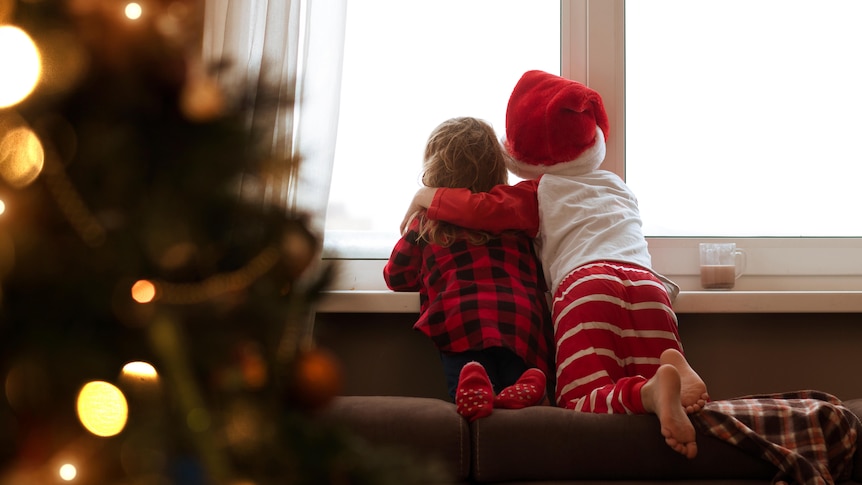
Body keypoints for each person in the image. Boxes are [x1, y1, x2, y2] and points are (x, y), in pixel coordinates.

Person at [400, 71, 709, 458]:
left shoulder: (539, 191)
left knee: (580, 403)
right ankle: (669, 374)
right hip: (649, 287)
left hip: (586, 288)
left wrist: (427, 196)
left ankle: (647, 392)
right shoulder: (618, 186)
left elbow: (481, 210)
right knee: (654, 394)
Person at [384, 116, 555, 422]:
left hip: (460, 318)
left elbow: (396, 277)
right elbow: (541, 274)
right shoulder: (513, 221)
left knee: (470, 385)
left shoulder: (428, 223)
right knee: (518, 381)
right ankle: (527, 382)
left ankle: (475, 380)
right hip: (520, 319)